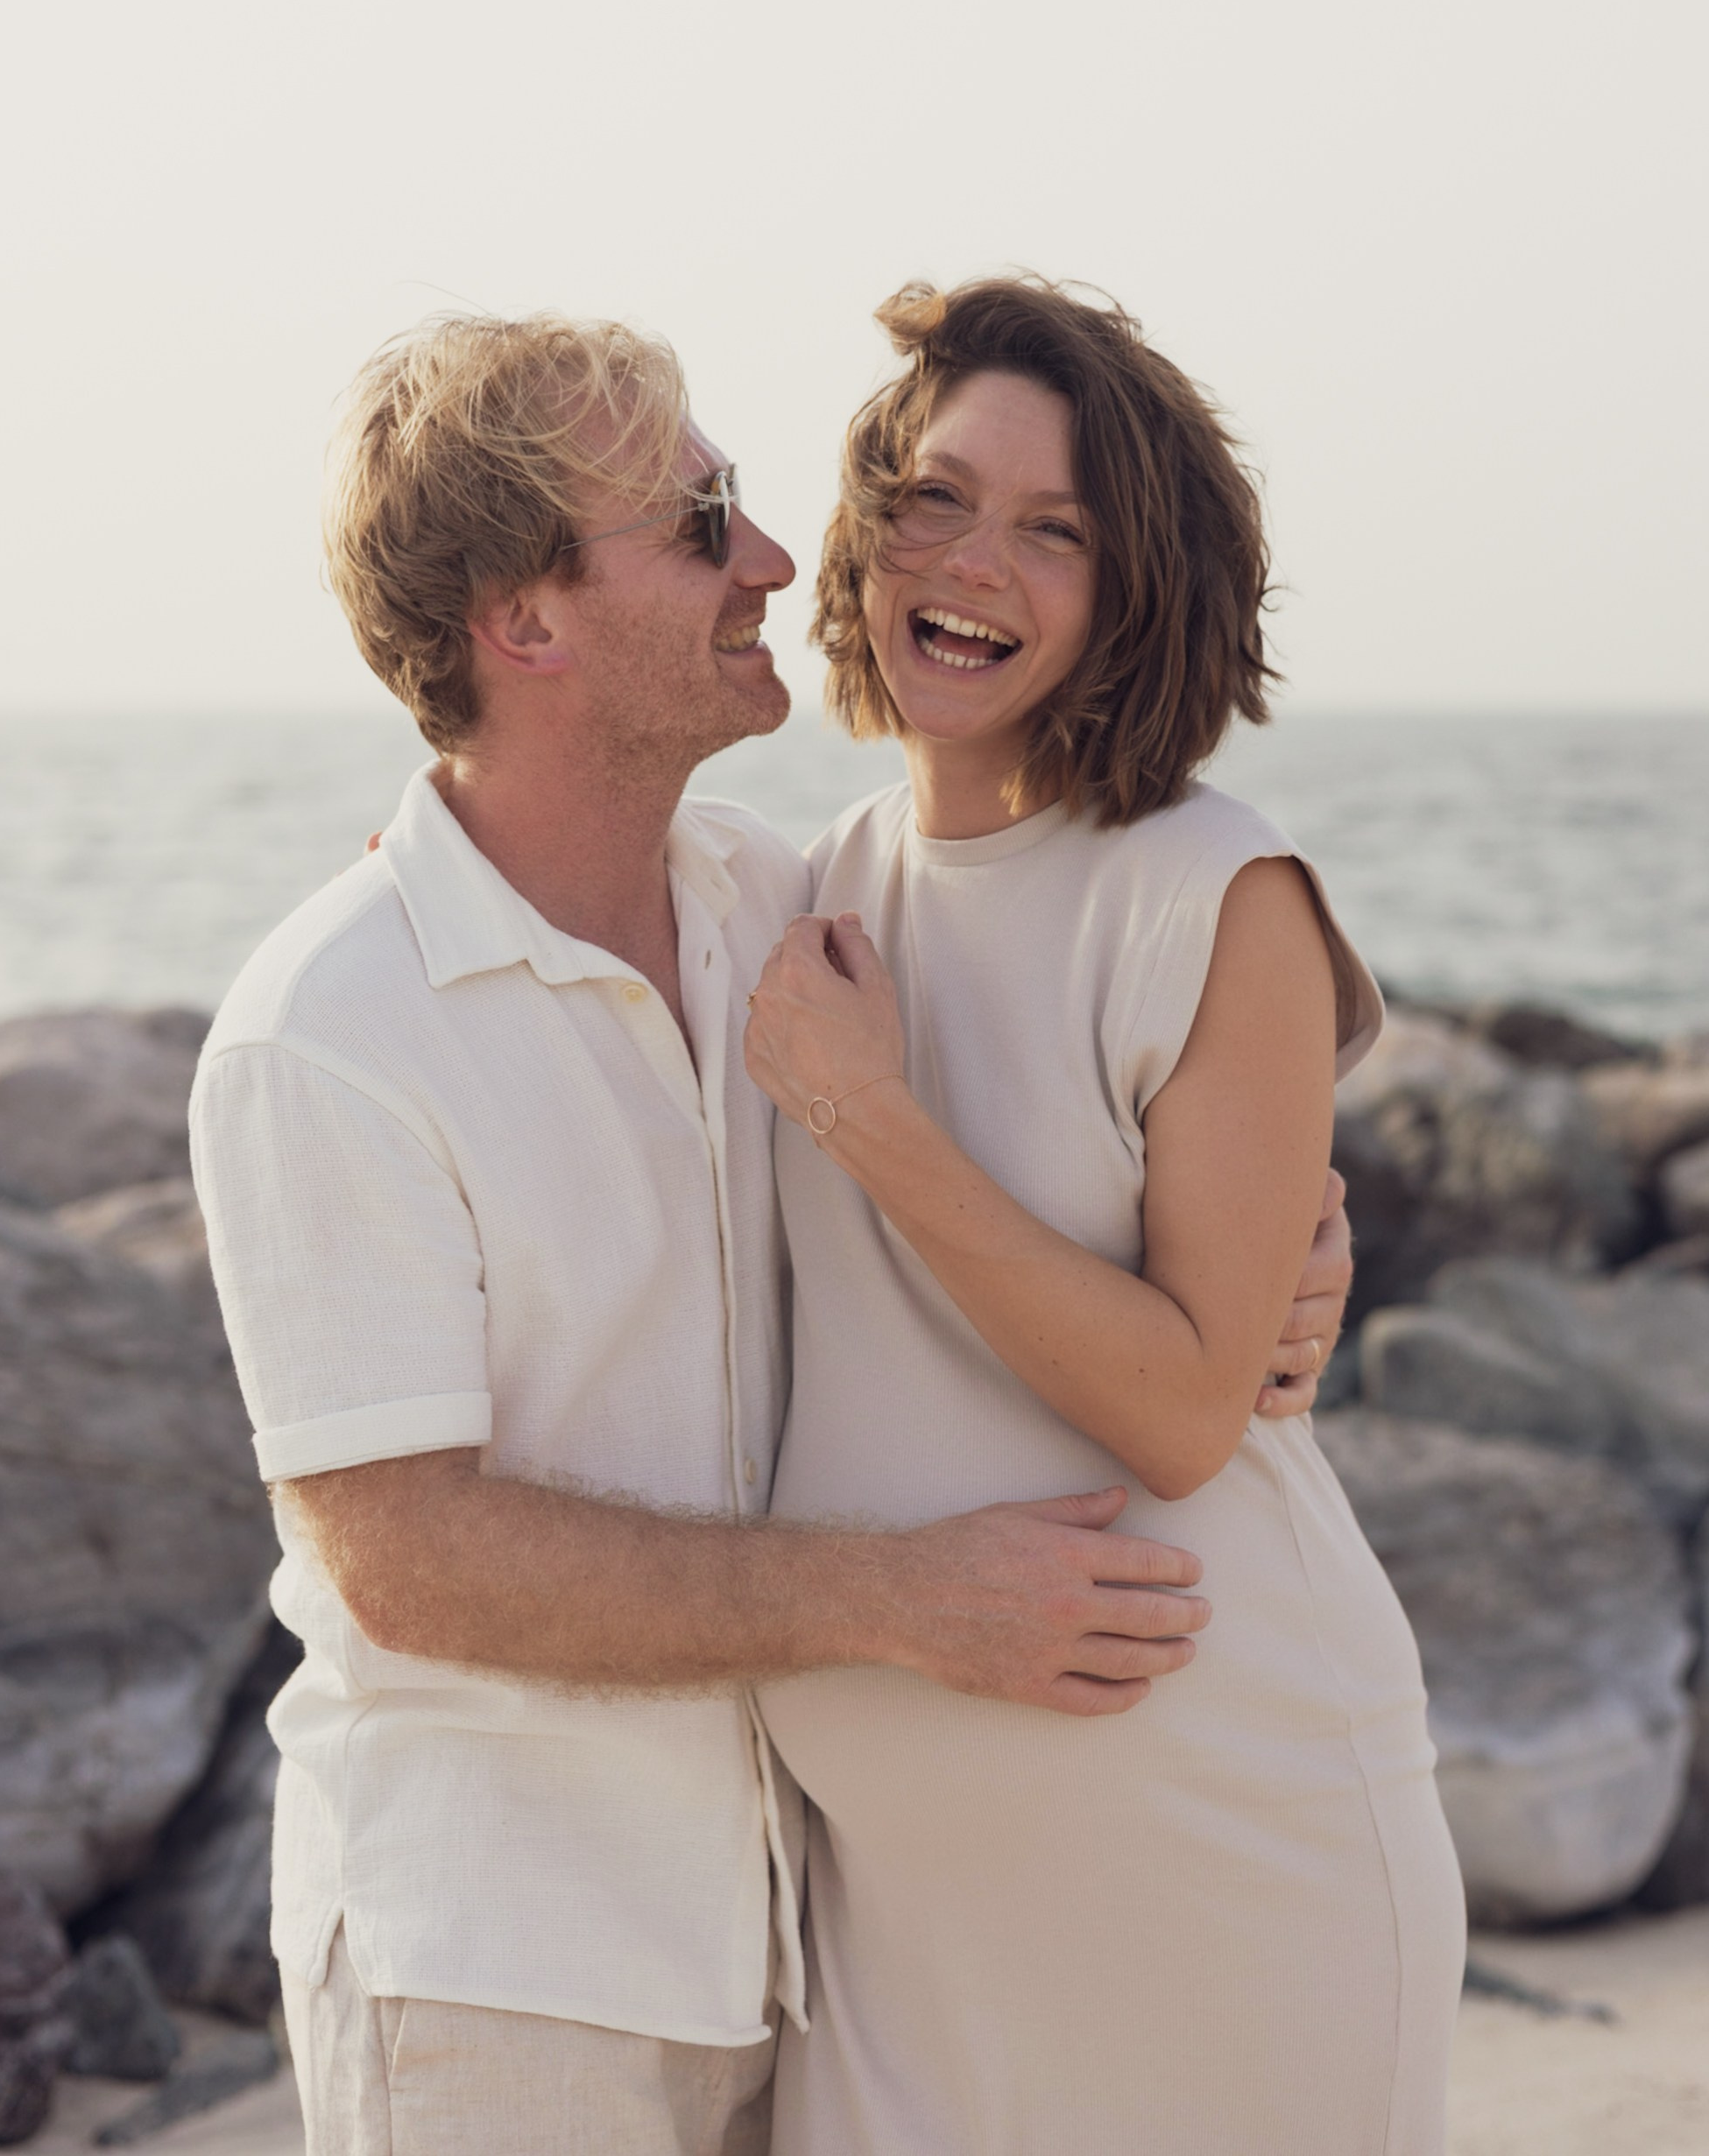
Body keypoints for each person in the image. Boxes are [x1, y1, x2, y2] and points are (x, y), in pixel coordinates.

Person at [190, 308, 1352, 2156]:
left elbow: (1060, 1091)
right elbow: (404, 1557)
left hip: (803, 1954)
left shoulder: (775, 910)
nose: (772, 557)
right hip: (505, 1980)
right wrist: (898, 1604)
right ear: (528, 621)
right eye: (694, 520)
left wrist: (1284, 1236)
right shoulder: (330, 1032)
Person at [745, 276, 1467, 2156]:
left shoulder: (1216, 900)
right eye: (935, 496)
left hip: (1231, 1865)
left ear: (1139, 590)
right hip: (899, 1931)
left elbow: (1173, 1411)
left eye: (1053, 531)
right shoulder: (798, 889)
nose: (971, 561)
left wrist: (872, 1123)